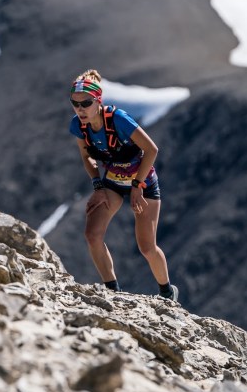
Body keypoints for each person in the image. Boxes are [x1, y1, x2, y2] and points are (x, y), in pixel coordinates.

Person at [67, 69, 178, 301]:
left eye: (86, 103)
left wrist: (137, 185)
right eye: (75, 104)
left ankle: (168, 293)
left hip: (143, 182)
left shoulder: (118, 119)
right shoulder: (79, 126)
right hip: (113, 182)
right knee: (92, 235)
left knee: (147, 247)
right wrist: (98, 186)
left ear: (98, 101)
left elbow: (151, 150)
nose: (80, 109)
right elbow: (86, 157)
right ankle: (112, 292)